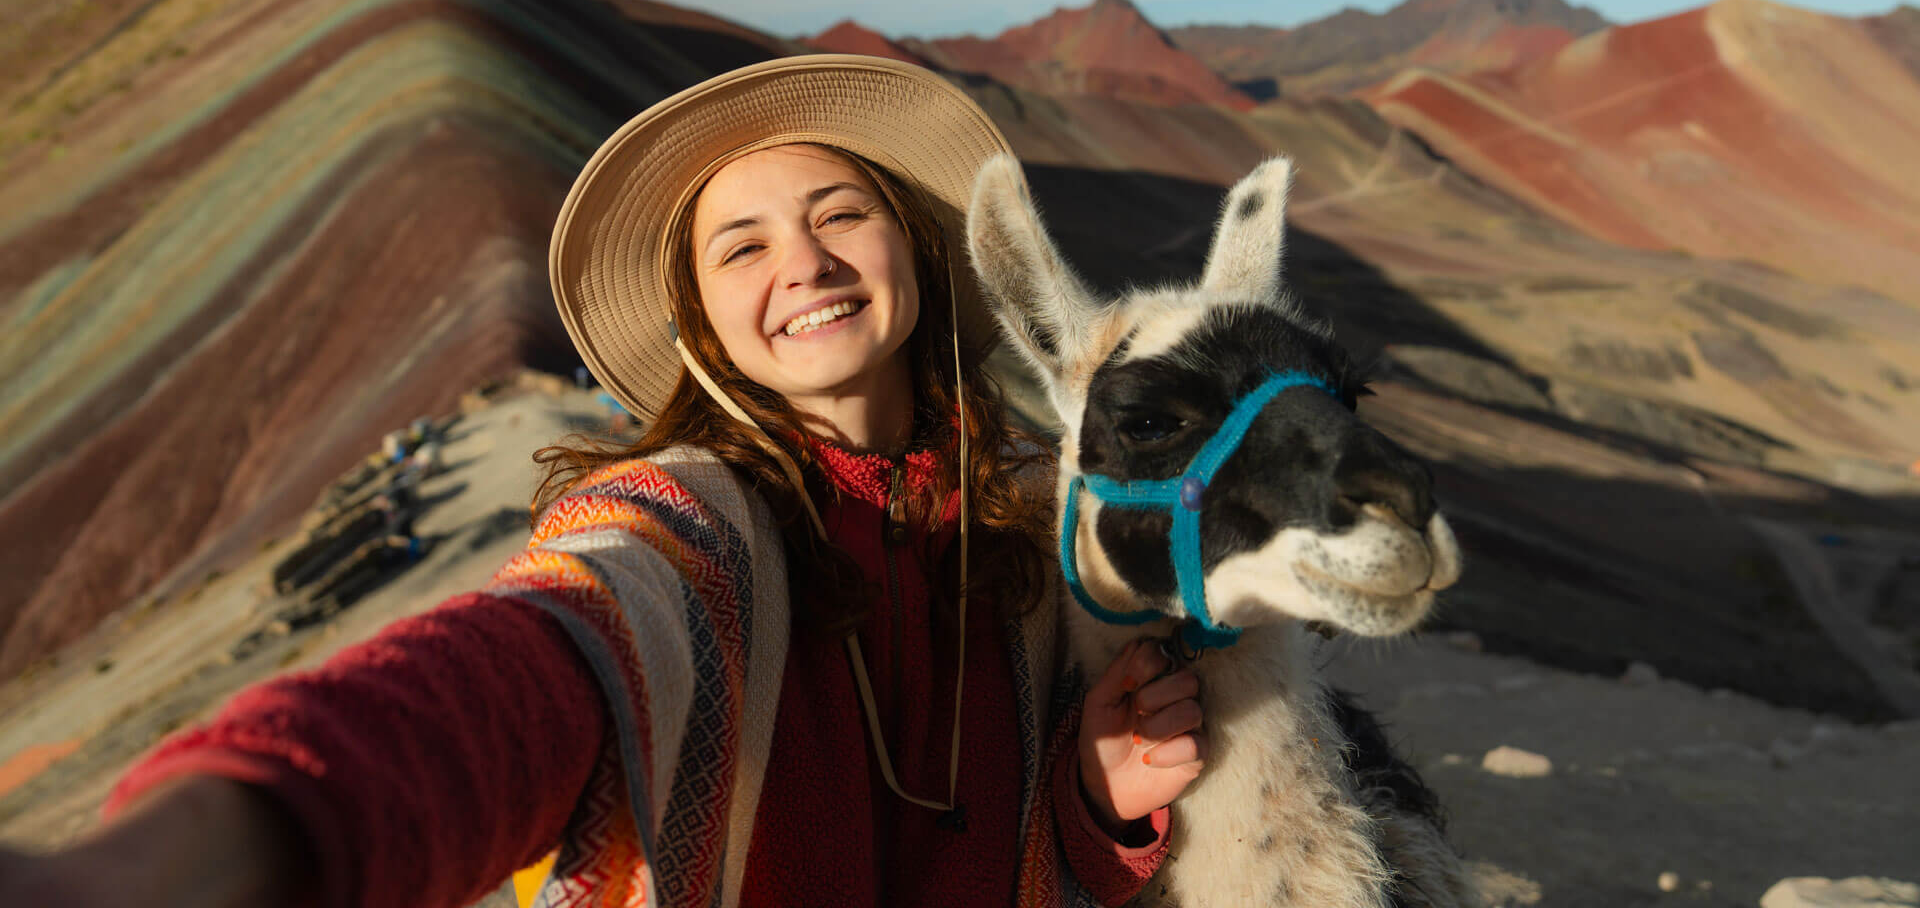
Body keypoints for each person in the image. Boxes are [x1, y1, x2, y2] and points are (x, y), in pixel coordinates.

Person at [0, 55, 1207, 907]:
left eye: (841, 210)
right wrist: (202, 845)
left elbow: (1052, 858)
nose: (808, 260)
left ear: (914, 250)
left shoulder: (1050, 517)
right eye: (742, 244)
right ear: (700, 319)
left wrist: (1101, 803)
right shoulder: (681, 528)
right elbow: (517, 668)